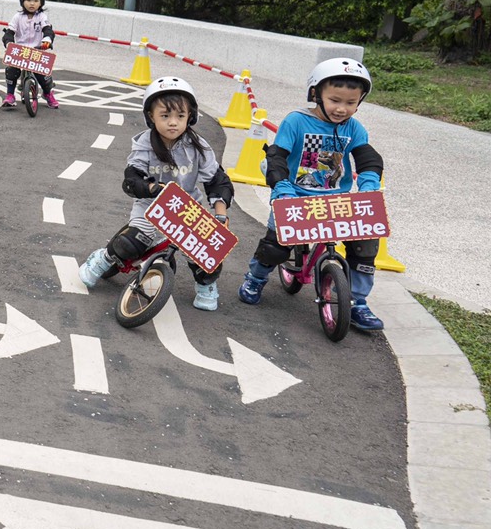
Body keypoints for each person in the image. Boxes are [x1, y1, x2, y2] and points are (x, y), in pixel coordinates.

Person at [238, 58, 386, 331]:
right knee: (276, 245)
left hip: (335, 200)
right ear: (315, 94)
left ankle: (357, 303)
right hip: (293, 195)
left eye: (351, 102)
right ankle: (255, 278)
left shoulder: (353, 128)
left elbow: (368, 157)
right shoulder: (296, 121)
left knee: (365, 244)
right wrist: (281, 189)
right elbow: (277, 157)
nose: (342, 109)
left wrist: (368, 186)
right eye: (335, 100)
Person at [79, 77, 234, 310]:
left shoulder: (198, 146)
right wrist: (150, 188)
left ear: (190, 117)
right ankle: (104, 257)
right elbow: (132, 177)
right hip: (151, 205)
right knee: (132, 242)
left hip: (187, 209)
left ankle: (206, 285)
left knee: (207, 254)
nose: (173, 123)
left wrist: (220, 215)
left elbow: (217, 180)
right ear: (151, 116)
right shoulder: (145, 144)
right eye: (165, 116)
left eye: (180, 116)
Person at [1, 0, 58, 109]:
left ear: (41, 2)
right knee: (11, 70)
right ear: (22, 1)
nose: (32, 3)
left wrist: (47, 39)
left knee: (43, 74)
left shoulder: (42, 17)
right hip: (20, 50)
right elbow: (9, 32)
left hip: (37, 50)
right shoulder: (17, 17)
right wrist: (9, 42)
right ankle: (10, 95)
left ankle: (48, 93)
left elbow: (48, 30)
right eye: (28, 0)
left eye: (36, 0)